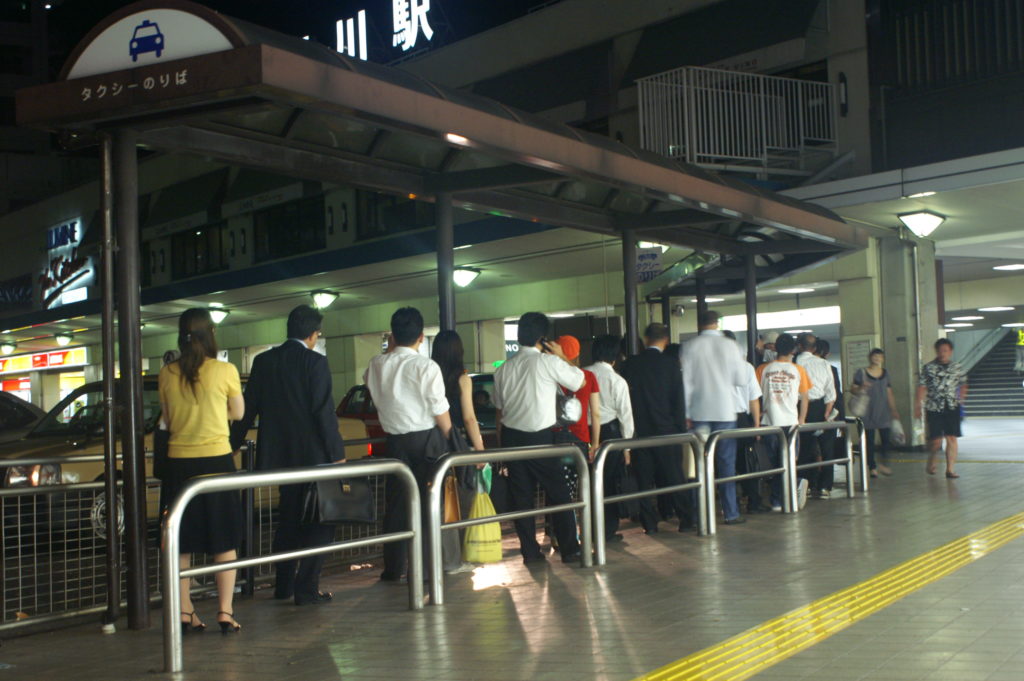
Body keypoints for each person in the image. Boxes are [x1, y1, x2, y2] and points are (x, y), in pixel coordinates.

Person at [230, 305, 346, 606]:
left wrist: (232, 444)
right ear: (312, 334)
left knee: (289, 519)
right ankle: (307, 588)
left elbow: (248, 408)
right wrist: (337, 454)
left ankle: (283, 585)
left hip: (280, 458)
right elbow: (324, 413)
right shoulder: (315, 363)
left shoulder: (264, 361)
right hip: (314, 458)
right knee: (321, 521)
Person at [160, 308, 244, 633]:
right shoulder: (225, 370)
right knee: (224, 538)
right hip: (217, 461)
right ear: (210, 333)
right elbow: (238, 411)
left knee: (182, 541)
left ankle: (185, 612)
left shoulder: (167, 373)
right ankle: (225, 611)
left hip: (179, 464)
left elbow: (167, 418)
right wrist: (214, 410)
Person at [365, 307, 452, 581]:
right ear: (421, 337)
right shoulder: (426, 366)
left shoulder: (376, 364)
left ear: (392, 335)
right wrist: (452, 439)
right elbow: (440, 411)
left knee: (396, 507)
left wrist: (390, 350)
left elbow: (369, 384)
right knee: (429, 505)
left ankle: (393, 568)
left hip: (395, 443)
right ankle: (427, 570)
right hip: (427, 441)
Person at [493, 312, 584, 564]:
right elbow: (579, 381)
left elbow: (499, 408)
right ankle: (570, 549)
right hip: (540, 439)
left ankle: (530, 553)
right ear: (542, 339)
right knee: (558, 494)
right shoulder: (548, 362)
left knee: (521, 498)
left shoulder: (503, 369)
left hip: (512, 439)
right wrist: (562, 356)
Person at [620, 323, 693, 534]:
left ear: (645, 339)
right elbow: (678, 403)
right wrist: (680, 430)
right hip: (667, 431)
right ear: (666, 340)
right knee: (675, 477)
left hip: (640, 433)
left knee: (643, 482)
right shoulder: (670, 365)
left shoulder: (631, 365)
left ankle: (649, 524)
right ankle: (686, 520)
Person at [681, 311, 749, 525]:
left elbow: (686, 383)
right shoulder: (731, 346)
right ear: (717, 324)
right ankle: (730, 513)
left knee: (698, 465)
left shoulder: (691, 346)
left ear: (699, 323)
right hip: (725, 411)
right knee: (726, 464)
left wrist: (687, 414)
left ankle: (699, 514)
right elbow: (741, 379)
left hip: (699, 412)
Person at [431, 329, 484, 575]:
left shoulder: (429, 375)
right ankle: (455, 560)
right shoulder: (463, 379)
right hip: (458, 446)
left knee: (440, 504)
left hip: (433, 444)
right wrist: (480, 451)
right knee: (460, 502)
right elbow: (469, 418)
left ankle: (442, 558)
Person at [584, 334, 634, 541]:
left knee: (588, 483)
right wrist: (627, 447)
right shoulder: (617, 380)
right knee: (610, 483)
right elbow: (625, 415)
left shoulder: (582, 374)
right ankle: (607, 531)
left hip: (585, 433)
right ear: (615, 356)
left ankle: (589, 528)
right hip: (610, 434)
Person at [756, 333, 811, 510]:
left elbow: (755, 397)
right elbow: (805, 398)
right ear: (794, 350)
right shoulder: (798, 370)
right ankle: (788, 493)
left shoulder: (763, 369)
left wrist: (756, 422)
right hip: (791, 422)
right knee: (789, 461)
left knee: (775, 464)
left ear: (775, 348)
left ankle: (779, 499)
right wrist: (801, 419)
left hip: (768, 421)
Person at [723, 330, 765, 514]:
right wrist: (756, 426)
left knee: (724, 465)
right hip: (741, 419)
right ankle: (753, 502)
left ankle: (729, 506)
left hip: (719, 419)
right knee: (748, 462)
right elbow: (753, 399)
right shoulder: (745, 367)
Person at [915, 338, 968, 478]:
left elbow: (963, 383)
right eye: (940, 350)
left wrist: (961, 398)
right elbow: (921, 387)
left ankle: (950, 469)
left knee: (951, 437)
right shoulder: (928, 368)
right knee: (936, 440)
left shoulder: (957, 367)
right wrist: (918, 405)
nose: (942, 353)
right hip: (934, 407)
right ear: (936, 351)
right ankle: (932, 457)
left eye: (945, 350)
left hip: (952, 406)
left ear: (950, 352)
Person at [795, 333, 837, 500]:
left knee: (804, 449)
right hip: (820, 407)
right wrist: (827, 411)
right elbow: (830, 392)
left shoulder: (795, 363)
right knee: (826, 448)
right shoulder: (824, 364)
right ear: (814, 348)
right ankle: (824, 487)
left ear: (799, 346)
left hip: (799, 407)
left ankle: (804, 485)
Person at [852, 348, 900, 477]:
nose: (877, 358)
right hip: (867, 412)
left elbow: (889, 392)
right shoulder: (861, 373)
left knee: (886, 439)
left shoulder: (886, 373)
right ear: (870, 357)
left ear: (882, 359)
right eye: (874, 356)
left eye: (879, 356)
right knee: (869, 442)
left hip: (883, 411)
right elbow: (853, 389)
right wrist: (862, 387)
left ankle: (884, 464)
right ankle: (872, 467)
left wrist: (893, 409)